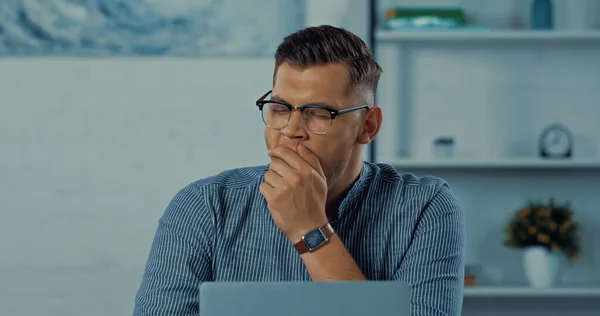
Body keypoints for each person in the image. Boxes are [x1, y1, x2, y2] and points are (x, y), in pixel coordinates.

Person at [133, 25, 465, 316]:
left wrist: (310, 230)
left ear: (367, 126)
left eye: (318, 113)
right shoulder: (204, 205)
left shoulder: (425, 208)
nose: (291, 130)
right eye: (279, 109)